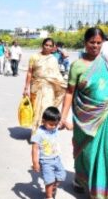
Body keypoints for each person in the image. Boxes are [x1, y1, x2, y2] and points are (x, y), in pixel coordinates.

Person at [60, 27, 108, 198]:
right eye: (91, 42)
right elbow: (69, 92)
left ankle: (100, 190)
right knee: (86, 153)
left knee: (104, 153)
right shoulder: (77, 66)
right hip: (84, 117)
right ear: (85, 43)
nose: (95, 46)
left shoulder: (105, 62)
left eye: (98, 42)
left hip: (105, 116)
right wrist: (63, 117)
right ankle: (81, 180)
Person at [23, 38, 66, 135]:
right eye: (46, 45)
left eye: (50, 46)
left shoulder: (53, 59)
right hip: (36, 87)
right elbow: (30, 73)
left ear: (53, 47)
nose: (48, 47)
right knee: (36, 110)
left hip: (49, 89)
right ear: (42, 45)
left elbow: (56, 75)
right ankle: (36, 133)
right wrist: (26, 88)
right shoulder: (34, 57)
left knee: (46, 109)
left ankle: (45, 132)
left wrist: (62, 85)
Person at [31, 107, 66, 199]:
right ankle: (49, 196)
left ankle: (53, 187)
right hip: (46, 161)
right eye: (51, 124)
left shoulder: (55, 127)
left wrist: (65, 124)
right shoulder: (39, 133)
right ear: (43, 121)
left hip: (56, 158)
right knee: (49, 180)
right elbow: (34, 148)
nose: (54, 127)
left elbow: (61, 126)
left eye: (55, 124)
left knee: (62, 175)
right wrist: (35, 162)